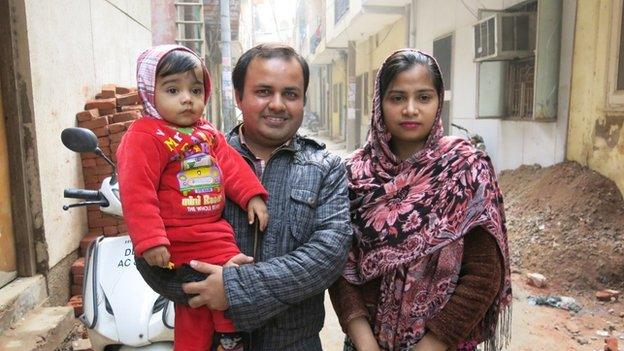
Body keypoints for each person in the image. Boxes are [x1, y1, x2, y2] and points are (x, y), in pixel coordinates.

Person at [329, 49, 512, 351]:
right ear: (379, 102)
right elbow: (340, 267)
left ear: (439, 101)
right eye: (397, 97)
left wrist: (431, 345)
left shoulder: (465, 167)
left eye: (423, 97)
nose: (410, 109)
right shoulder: (353, 174)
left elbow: (484, 273)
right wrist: (365, 343)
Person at [181, 43, 352, 350]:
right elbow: (162, 245)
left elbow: (327, 256)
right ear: (238, 97)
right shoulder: (197, 159)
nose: (277, 104)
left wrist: (233, 290)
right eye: (263, 91)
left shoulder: (325, 168)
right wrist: (199, 290)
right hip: (214, 342)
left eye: (290, 94)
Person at [116, 44, 269, 351]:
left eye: (196, 90)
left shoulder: (207, 133)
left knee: (221, 283)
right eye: (173, 90)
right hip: (176, 236)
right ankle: (213, 341)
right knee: (206, 291)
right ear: (148, 93)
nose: (187, 99)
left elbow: (230, 165)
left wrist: (252, 195)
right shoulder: (145, 135)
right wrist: (150, 240)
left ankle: (219, 339)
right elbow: (137, 190)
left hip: (213, 230)